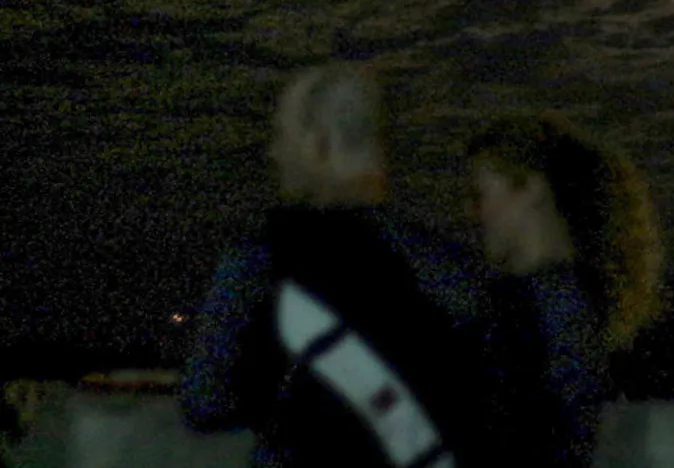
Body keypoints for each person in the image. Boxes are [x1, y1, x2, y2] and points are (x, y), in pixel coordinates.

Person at [180, 64, 490, 468]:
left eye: (282, 136)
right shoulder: (449, 268)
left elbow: (205, 404)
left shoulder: (260, 263)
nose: (274, 153)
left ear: (319, 145)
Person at [468, 111, 662, 468]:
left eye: (482, 194)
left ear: (530, 188)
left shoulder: (533, 308)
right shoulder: (578, 302)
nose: (477, 213)